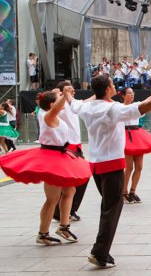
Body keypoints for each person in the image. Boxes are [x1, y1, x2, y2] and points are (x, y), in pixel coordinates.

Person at [67, 76, 151, 268]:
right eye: (112, 85)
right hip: (112, 164)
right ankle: (100, 252)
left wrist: (67, 95)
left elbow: (74, 103)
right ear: (107, 89)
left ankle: (101, 250)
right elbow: (141, 108)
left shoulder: (87, 107)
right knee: (111, 209)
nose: (115, 87)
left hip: (96, 165)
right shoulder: (111, 108)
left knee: (108, 206)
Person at [0, 89, 91, 245]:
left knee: (70, 190)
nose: (62, 101)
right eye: (58, 99)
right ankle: (43, 233)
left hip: (61, 155)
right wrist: (64, 95)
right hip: (52, 158)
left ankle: (63, 226)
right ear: (52, 104)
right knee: (52, 198)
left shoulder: (52, 115)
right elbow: (55, 109)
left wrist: (63, 96)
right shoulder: (48, 116)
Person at [53, 81, 88, 223]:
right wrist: (58, 94)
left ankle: (70, 209)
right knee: (69, 184)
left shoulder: (73, 104)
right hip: (67, 148)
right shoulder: (61, 106)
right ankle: (62, 212)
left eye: (73, 90)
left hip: (77, 148)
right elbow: (55, 106)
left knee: (83, 177)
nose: (72, 92)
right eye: (69, 90)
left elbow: (87, 101)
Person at [120, 87, 151, 204]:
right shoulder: (120, 107)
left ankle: (133, 191)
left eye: (132, 93)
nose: (132, 95)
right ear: (123, 95)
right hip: (126, 135)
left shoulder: (137, 105)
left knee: (139, 166)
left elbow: (147, 101)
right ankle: (124, 192)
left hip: (137, 135)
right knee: (129, 166)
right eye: (129, 93)